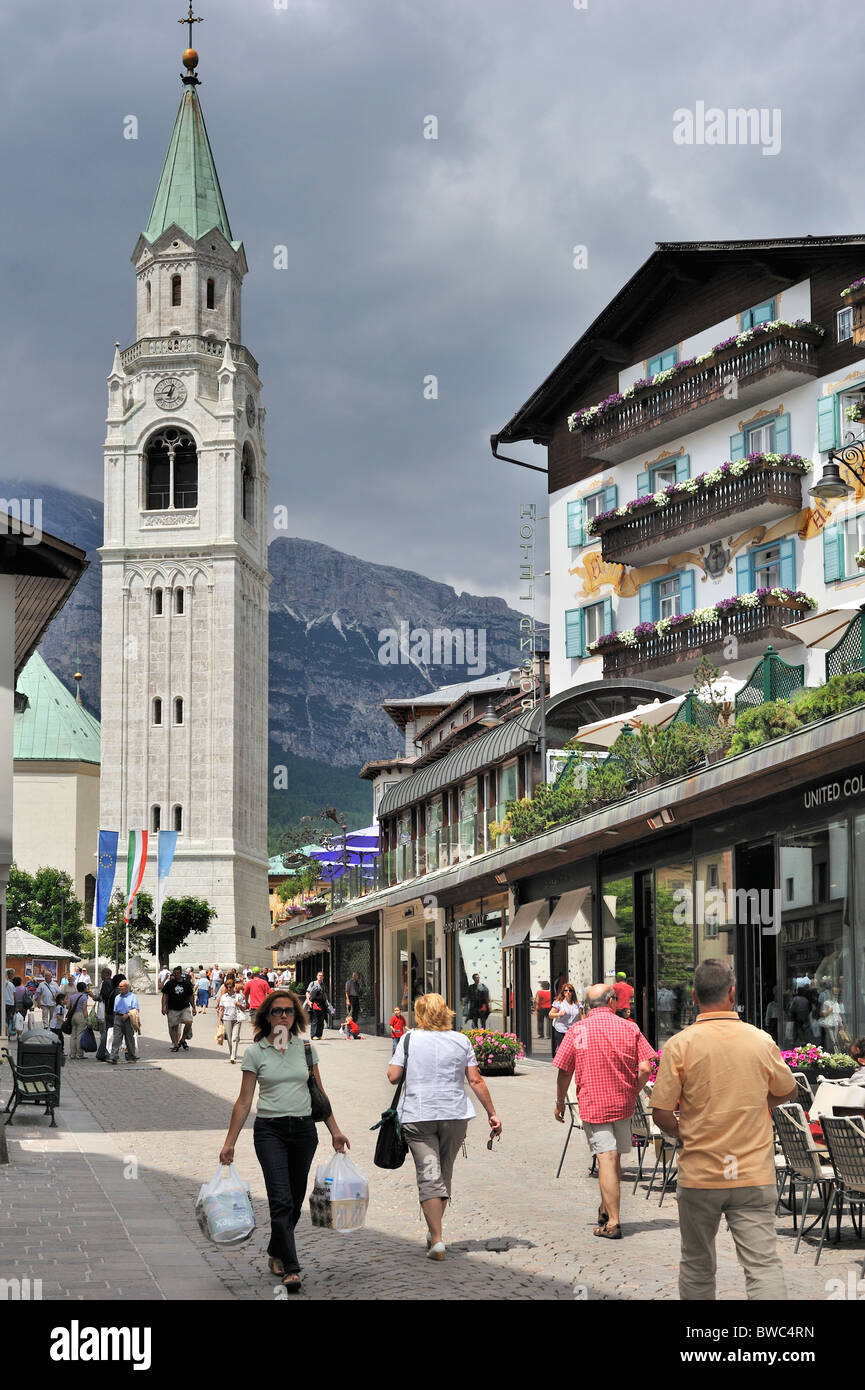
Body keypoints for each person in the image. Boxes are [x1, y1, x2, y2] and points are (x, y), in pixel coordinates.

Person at [651, 959, 797, 1301]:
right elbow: (788, 1090)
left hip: (701, 1171)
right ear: (732, 993)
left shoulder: (679, 1045)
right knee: (763, 1266)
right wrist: (760, 1105)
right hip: (751, 1172)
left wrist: (683, 1133)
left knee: (697, 1264)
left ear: (693, 996)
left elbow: (660, 1113)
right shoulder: (760, 1041)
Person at [219, 989, 349, 1293]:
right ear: (266, 1015)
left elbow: (320, 1094)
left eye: (288, 1011)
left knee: (293, 1200)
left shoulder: (305, 1050)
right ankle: (292, 1268)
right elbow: (243, 1101)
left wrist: (335, 1131)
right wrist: (230, 1143)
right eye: (276, 1011)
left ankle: (276, 1250)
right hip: (270, 1132)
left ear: (296, 1016)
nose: (283, 1016)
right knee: (281, 1199)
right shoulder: (255, 1052)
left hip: (304, 1132)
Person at [387, 993, 502, 1260]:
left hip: (418, 1115)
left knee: (429, 1173)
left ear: (420, 1014)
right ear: (446, 1012)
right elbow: (475, 1080)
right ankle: (434, 1232)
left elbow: (393, 1077)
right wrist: (492, 1113)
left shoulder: (409, 1039)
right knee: (444, 1171)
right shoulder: (461, 1040)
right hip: (454, 1115)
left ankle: (437, 1238)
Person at [553, 982, 656, 1240]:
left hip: (594, 1102)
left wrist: (560, 1101)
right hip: (623, 1102)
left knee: (606, 1158)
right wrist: (634, 1089)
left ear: (587, 1005)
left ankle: (613, 1222)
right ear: (612, 1002)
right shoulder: (629, 1027)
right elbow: (645, 1068)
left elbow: (564, 1070)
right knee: (614, 1158)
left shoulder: (577, 1030)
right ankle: (604, 1208)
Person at [162, 965, 196, 1052]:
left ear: (181, 973)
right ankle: (176, 1045)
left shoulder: (186, 983)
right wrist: (163, 1006)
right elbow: (165, 995)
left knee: (189, 1022)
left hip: (184, 1007)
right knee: (174, 1026)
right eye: (175, 973)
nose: (176, 975)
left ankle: (183, 1039)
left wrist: (194, 1007)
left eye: (178, 973)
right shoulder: (169, 984)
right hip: (172, 1008)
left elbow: (190, 996)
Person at [219, 978, 248, 1064]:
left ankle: (232, 1056)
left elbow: (244, 1008)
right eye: (227, 987)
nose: (229, 989)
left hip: (237, 1019)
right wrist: (219, 1020)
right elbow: (221, 1009)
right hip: (227, 1018)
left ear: (233, 987)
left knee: (234, 1038)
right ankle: (232, 1053)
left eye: (230, 987)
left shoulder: (239, 996)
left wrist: (239, 1005)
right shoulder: (223, 997)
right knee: (229, 1038)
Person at [110, 980, 140, 1064]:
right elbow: (115, 1009)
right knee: (116, 1038)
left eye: (121, 986)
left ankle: (131, 1056)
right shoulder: (117, 997)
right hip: (118, 1017)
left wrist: (127, 1014)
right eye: (119, 986)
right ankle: (113, 1056)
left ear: (127, 987)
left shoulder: (133, 996)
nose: (119, 988)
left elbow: (136, 1009)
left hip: (128, 1018)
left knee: (129, 1038)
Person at [549, 983, 580, 1057]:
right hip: (561, 1030)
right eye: (566, 991)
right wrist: (559, 1014)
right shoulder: (559, 1003)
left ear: (573, 992)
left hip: (573, 1031)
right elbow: (550, 1015)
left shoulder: (577, 1004)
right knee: (564, 1051)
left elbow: (581, 1017)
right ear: (563, 992)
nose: (568, 992)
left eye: (570, 991)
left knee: (573, 1050)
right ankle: (562, 1065)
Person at [66, 978, 94, 1060]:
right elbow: (84, 1009)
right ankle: (79, 1054)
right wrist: (87, 1019)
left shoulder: (72, 996)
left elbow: (68, 1007)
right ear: (84, 988)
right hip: (80, 1015)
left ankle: (72, 1054)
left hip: (73, 1016)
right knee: (80, 1035)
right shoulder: (84, 997)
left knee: (73, 1035)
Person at [305, 972, 329, 1041]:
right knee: (315, 1020)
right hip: (314, 1004)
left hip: (322, 1004)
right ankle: (313, 1035)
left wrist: (327, 1003)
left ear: (323, 977)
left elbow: (325, 994)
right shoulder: (312, 983)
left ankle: (319, 1035)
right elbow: (307, 992)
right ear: (317, 976)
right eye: (319, 975)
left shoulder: (323, 985)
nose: (320, 977)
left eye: (321, 976)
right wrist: (309, 1002)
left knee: (321, 1020)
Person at [4, 969, 16, 1038]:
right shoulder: (11, 983)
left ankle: (6, 1033)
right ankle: (7, 1033)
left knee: (5, 1019)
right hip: (10, 1004)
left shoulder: (7, 982)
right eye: (12, 974)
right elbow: (14, 995)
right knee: (8, 1019)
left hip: (6, 1003)